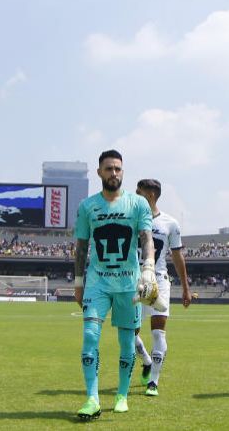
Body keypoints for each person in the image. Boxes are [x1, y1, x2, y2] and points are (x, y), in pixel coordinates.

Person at [74, 150, 157, 420]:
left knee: (126, 342)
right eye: (108, 169)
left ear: (123, 172)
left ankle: (121, 394)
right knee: (89, 336)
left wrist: (148, 268)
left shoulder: (138, 204)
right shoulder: (87, 206)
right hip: (97, 282)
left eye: (118, 169)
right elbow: (82, 247)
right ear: (99, 172)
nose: (113, 173)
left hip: (128, 284)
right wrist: (77, 282)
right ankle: (92, 398)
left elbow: (146, 238)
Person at [133, 179, 190, 397]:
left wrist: (185, 287)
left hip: (159, 280)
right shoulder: (131, 220)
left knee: (158, 332)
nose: (135, 196)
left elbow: (178, 257)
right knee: (130, 334)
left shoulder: (170, 223)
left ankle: (153, 382)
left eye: (139, 193)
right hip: (134, 281)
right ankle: (146, 360)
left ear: (151, 196)